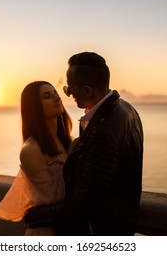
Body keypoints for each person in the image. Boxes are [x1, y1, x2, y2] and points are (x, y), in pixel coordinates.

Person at [24, 52, 144, 235]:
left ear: (87, 90)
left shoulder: (105, 129)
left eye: (69, 90)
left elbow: (85, 202)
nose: (68, 95)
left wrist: (34, 216)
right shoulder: (125, 108)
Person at [0, 81, 73, 235]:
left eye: (56, 93)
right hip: (47, 232)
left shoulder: (68, 142)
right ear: (35, 108)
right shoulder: (32, 150)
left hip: (67, 229)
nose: (57, 98)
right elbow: (52, 199)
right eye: (47, 96)